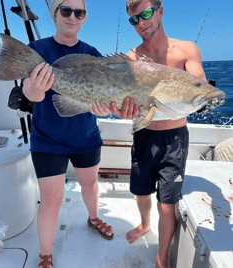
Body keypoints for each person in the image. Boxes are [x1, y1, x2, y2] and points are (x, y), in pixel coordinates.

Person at [94, 0, 207, 267]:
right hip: (144, 134)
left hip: (175, 139)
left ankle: (161, 258)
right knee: (141, 191)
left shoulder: (186, 49)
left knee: (167, 204)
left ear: (160, 10)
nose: (141, 23)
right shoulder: (131, 59)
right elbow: (126, 105)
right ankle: (145, 224)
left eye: (145, 14)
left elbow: (199, 90)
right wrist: (121, 111)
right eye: (134, 19)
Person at [22, 0, 114, 267]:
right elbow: (30, 94)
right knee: (51, 200)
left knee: (91, 185)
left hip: (85, 136)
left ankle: (93, 218)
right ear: (56, 14)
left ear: (84, 18)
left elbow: (102, 97)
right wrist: (37, 89)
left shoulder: (93, 53)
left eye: (79, 12)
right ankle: (45, 255)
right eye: (66, 10)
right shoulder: (38, 50)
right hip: (47, 140)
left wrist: (103, 107)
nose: (73, 17)